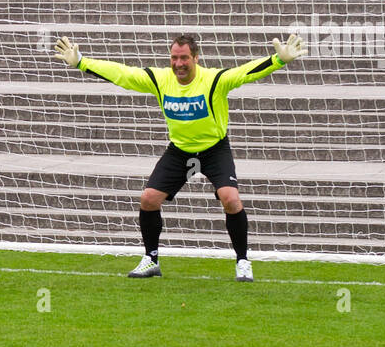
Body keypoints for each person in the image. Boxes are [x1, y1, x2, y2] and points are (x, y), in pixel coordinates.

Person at [52, 32, 307, 281]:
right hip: (180, 151)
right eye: (174, 58)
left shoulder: (214, 79)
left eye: (184, 58)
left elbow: (244, 72)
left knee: (230, 199)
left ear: (196, 58)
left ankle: (242, 261)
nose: (178, 64)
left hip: (214, 149)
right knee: (149, 199)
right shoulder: (160, 79)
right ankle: (151, 259)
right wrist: (82, 62)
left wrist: (279, 60)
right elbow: (123, 74)